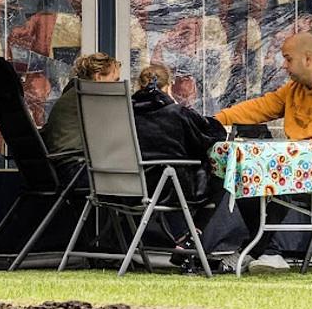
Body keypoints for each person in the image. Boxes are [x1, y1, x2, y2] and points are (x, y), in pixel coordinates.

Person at [213, 31, 312, 273]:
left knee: (269, 176)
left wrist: (286, 154)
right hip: (304, 166)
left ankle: (265, 251)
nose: (283, 66)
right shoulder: (295, 88)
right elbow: (261, 107)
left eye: (288, 59)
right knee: (246, 172)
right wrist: (216, 120)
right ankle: (265, 251)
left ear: (307, 58)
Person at [131, 64, 229, 273]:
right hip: (170, 189)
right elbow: (214, 135)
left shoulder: (123, 114)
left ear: (138, 85)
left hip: (126, 188)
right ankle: (190, 239)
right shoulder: (178, 113)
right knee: (222, 178)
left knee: (175, 176)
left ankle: (185, 239)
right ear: (168, 87)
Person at [40, 52, 121, 184]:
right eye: (115, 80)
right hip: (76, 170)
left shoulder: (74, 94)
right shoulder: (91, 97)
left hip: (63, 167)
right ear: (99, 76)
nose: (117, 84)